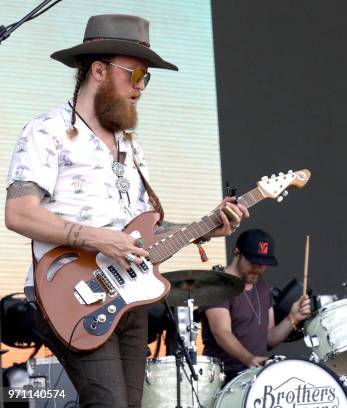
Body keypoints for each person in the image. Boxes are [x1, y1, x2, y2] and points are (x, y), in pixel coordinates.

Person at [4, 14, 248, 407]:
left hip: (129, 296)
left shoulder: (131, 147)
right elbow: (18, 213)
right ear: (99, 70)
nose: (141, 88)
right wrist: (98, 238)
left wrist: (205, 226)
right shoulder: (45, 131)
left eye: (146, 79)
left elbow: (143, 231)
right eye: (135, 76)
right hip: (71, 293)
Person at [201, 229, 311, 381]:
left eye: (264, 264)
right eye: (253, 262)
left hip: (256, 375)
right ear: (237, 253)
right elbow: (221, 332)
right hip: (224, 375)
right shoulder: (217, 285)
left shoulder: (262, 286)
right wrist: (248, 359)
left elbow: (268, 339)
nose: (259, 268)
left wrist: (293, 317)